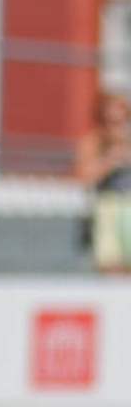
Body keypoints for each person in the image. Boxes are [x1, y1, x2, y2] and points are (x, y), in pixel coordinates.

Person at [77, 89, 131, 273]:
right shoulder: (94, 142)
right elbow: (82, 176)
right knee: (111, 268)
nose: (115, 127)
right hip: (106, 210)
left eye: (121, 120)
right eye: (110, 122)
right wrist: (110, 160)